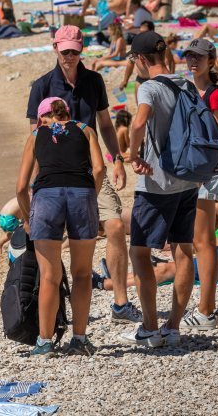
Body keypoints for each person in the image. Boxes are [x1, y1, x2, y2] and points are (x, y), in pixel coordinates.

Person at [27, 25, 141, 325]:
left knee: (115, 226)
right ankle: (55, 313)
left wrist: (117, 159)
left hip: (91, 172)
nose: (69, 57)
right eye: (64, 51)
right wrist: (34, 185)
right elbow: (34, 137)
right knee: (53, 245)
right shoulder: (41, 86)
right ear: (55, 48)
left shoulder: (93, 81)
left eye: (75, 52)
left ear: (82, 51)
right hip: (54, 176)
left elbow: (105, 123)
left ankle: (120, 302)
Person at [120, 31, 200, 348]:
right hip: (188, 179)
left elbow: (139, 123)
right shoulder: (185, 84)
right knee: (183, 252)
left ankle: (150, 327)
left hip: (157, 182)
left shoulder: (149, 88)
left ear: (140, 59)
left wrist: (134, 154)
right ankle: (174, 326)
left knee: (139, 252)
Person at [17, 97, 105, 356]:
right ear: (67, 112)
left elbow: (21, 187)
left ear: (45, 116)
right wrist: (90, 194)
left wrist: (26, 217)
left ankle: (45, 343)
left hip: (46, 198)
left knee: (49, 276)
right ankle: (79, 339)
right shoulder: (86, 129)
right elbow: (99, 169)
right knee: (81, 274)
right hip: (81, 195)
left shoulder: (36, 134)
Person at [180, 39, 218, 331]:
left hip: (207, 173)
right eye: (190, 56)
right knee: (198, 239)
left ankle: (206, 311)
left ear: (211, 62)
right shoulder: (192, 92)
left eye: (199, 57)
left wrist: (201, 158)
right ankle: (203, 306)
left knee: (204, 242)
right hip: (196, 172)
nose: (193, 61)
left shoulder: (215, 96)